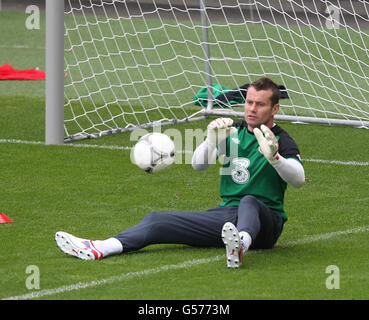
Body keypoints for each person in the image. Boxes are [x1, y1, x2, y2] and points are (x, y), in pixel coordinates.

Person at [55, 77, 305, 268]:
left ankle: (241, 245)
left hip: (266, 224)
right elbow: (199, 165)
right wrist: (210, 141)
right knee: (156, 220)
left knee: (250, 201)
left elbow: (299, 180)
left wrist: (275, 158)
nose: (251, 109)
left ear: (275, 109)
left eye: (260, 104)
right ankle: (100, 247)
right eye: (249, 102)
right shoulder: (231, 131)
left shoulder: (281, 140)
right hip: (227, 217)